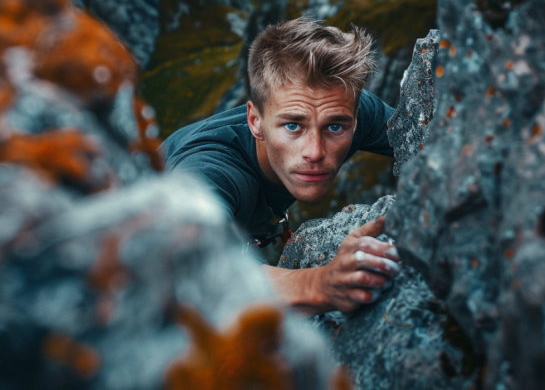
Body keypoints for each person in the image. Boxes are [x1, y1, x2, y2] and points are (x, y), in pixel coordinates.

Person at [161, 17, 401, 315]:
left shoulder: (344, 111)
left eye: (335, 128)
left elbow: (435, 141)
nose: (314, 152)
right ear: (255, 121)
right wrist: (321, 283)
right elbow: (196, 265)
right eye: (292, 126)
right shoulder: (210, 170)